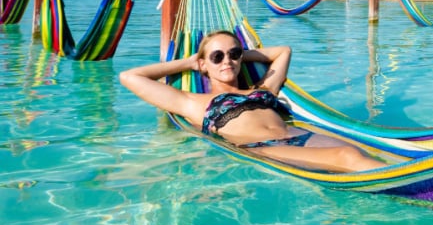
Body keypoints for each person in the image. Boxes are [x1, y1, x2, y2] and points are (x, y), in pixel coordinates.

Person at [119, 29, 381, 173]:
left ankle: (412, 182)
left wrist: (242, 54)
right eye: (217, 57)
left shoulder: (263, 88)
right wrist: (190, 62)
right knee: (347, 156)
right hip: (259, 147)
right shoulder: (193, 102)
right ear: (203, 64)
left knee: (363, 152)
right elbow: (130, 77)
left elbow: (282, 52)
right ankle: (419, 191)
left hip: (297, 135)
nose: (227, 61)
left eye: (234, 54)